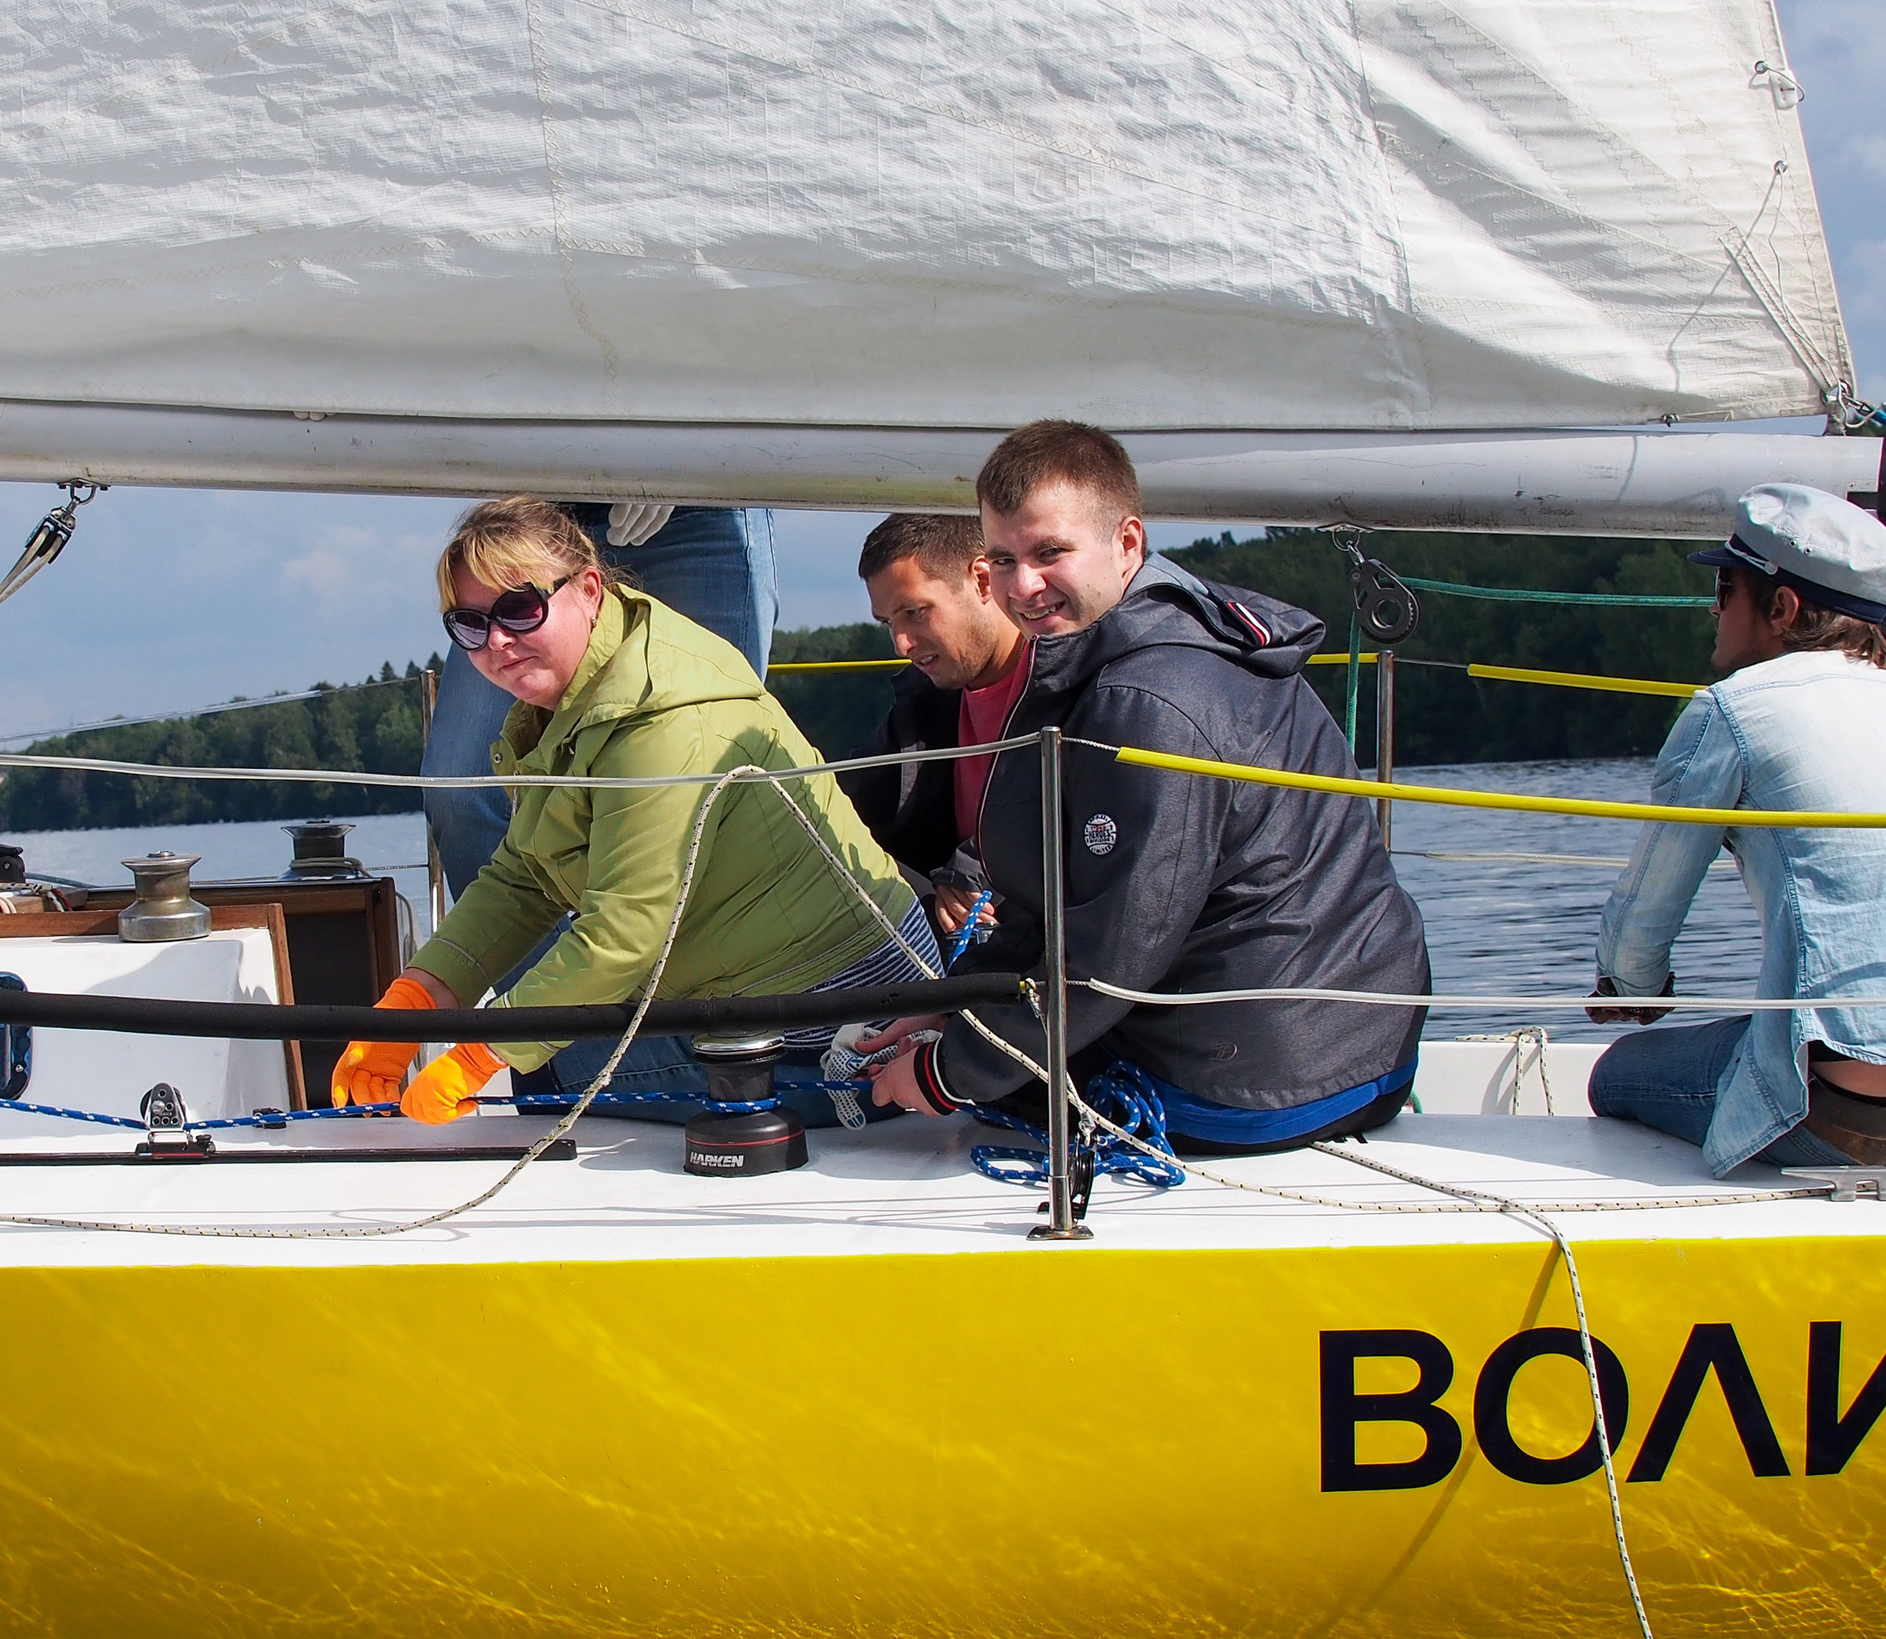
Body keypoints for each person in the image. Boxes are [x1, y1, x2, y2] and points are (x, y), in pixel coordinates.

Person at [855, 421, 1432, 1155]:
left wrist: (949, 1071)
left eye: (1050, 553)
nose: (1022, 586)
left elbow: (1113, 949)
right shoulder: (1166, 639)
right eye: (1003, 559)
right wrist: (956, 1008)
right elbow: (1069, 909)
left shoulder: (1147, 701)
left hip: (1257, 1081)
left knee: (959, 1092)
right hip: (1359, 1044)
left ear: (1127, 543)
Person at [335, 498, 934, 1128]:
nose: (498, 641)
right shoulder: (579, 697)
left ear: (590, 589)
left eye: (520, 608)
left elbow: (622, 937)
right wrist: (415, 999)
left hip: (844, 1039)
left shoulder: (661, 720)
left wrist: (482, 1054)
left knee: (541, 1071)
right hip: (771, 1005)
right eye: (469, 624)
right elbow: (524, 878)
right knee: (539, 1050)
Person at [1585, 484, 1886, 1176]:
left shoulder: (1731, 711)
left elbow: (1648, 908)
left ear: (1781, 608)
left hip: (1837, 1118)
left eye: (1725, 588)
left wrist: (1630, 989)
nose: (1714, 609)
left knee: (1616, 1074)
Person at [843, 513, 1025, 945]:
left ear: (982, 580)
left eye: (915, 613)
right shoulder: (924, 700)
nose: (901, 644)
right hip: (949, 942)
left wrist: (976, 869)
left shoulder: (1081, 688)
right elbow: (842, 805)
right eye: (889, 623)